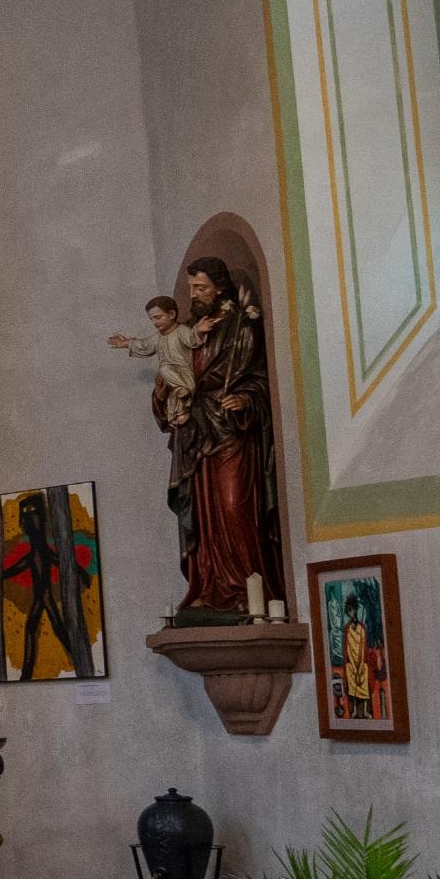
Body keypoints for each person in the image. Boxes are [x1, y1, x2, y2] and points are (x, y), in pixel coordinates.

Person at [159, 257, 285, 615]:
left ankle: (247, 589)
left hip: (231, 430)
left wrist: (245, 399)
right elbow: (173, 376)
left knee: (233, 508)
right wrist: (165, 389)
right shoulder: (187, 332)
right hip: (196, 433)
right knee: (202, 514)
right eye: (190, 289)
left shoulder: (240, 327)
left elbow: (260, 380)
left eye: (200, 288)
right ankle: (210, 587)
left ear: (219, 288)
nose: (194, 295)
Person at [108, 296, 211, 431]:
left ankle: (181, 391)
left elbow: (192, 339)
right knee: (172, 396)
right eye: (151, 319)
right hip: (171, 381)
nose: (154, 322)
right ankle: (180, 414)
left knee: (165, 369)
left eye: (158, 317)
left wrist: (198, 330)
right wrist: (126, 343)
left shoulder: (181, 331)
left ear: (172, 314)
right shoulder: (158, 337)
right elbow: (144, 346)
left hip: (184, 373)